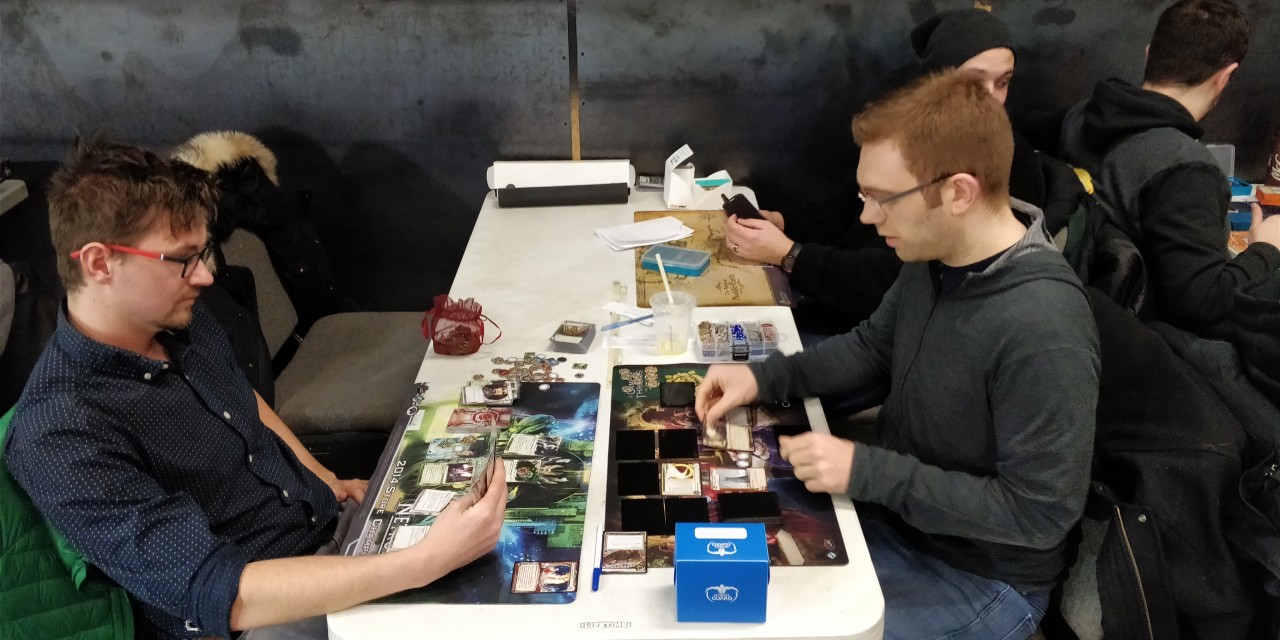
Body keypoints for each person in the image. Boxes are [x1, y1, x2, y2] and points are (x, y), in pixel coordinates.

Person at [2, 141, 508, 639]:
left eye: (202, 253)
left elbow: (242, 399)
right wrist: (424, 562)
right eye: (182, 259)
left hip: (333, 535)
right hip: (262, 612)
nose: (205, 276)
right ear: (99, 263)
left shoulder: (174, 318)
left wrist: (324, 478)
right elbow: (223, 593)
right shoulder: (59, 431)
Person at [696, 71, 1100, 639]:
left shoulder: (1044, 326)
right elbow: (872, 346)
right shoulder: (934, 257)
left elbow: (1038, 514)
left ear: (959, 192)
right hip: (901, 518)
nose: (866, 217)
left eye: (882, 200)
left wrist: (868, 471)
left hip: (981, 576)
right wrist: (762, 379)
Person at [726, 8, 1062, 337]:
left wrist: (790, 255)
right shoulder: (908, 136)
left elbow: (896, 283)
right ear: (934, 81)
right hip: (845, 307)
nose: (991, 98)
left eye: (1002, 82)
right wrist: (784, 223)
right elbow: (851, 203)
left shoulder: (1006, 164)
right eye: (974, 83)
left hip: (872, 322)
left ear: (962, 192)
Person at [1057, 0, 1280, 338]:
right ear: (1225, 77)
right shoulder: (1184, 168)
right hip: (1152, 342)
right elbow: (1202, 303)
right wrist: (1266, 250)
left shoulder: (1081, 117)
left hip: (1088, 317)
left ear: (1149, 55)